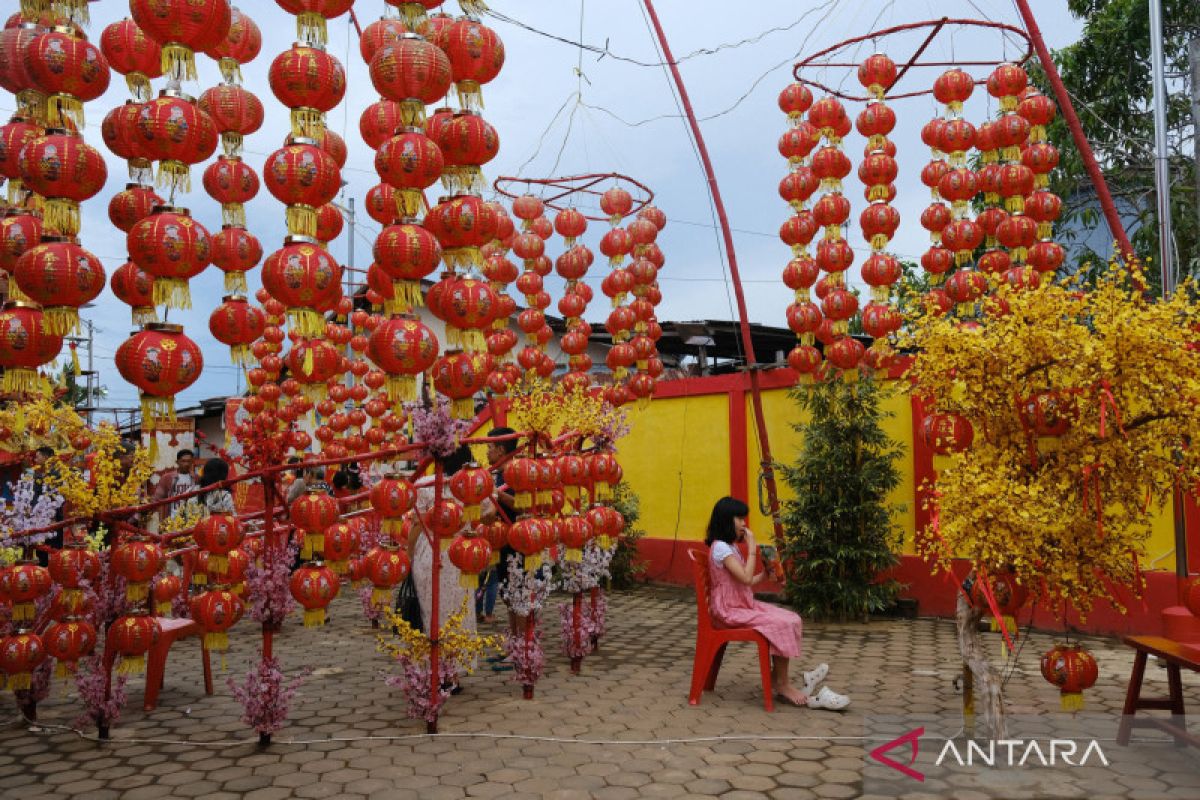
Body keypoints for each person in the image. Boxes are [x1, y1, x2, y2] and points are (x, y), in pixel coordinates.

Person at [705, 496, 849, 710]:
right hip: (729, 611)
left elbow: (746, 583)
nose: (744, 524)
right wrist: (752, 548)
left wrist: (765, 574)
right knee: (779, 624)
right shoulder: (720, 549)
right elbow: (744, 578)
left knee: (790, 618)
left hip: (741, 606)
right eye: (740, 519)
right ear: (726, 520)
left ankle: (778, 677)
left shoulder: (730, 547)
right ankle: (782, 684)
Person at [409, 445, 490, 690]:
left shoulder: (425, 485)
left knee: (430, 613)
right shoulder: (471, 484)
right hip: (459, 556)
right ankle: (451, 675)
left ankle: (432, 673)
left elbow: (415, 526)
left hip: (428, 552)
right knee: (458, 613)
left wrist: (408, 557)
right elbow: (490, 513)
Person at [477, 427, 518, 625]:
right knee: (508, 594)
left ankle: (522, 645)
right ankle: (516, 643)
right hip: (503, 541)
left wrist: (498, 495)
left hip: (517, 541)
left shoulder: (517, 473)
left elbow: (523, 504)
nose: (487, 451)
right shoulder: (499, 474)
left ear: (501, 450)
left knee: (517, 594)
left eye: (490, 447)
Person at [153, 449, 198, 521]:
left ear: (192, 462)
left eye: (189, 461)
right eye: (183, 461)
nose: (186, 464)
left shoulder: (196, 478)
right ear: (177, 462)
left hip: (191, 519)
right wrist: (161, 522)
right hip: (171, 520)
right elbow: (158, 500)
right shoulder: (167, 478)